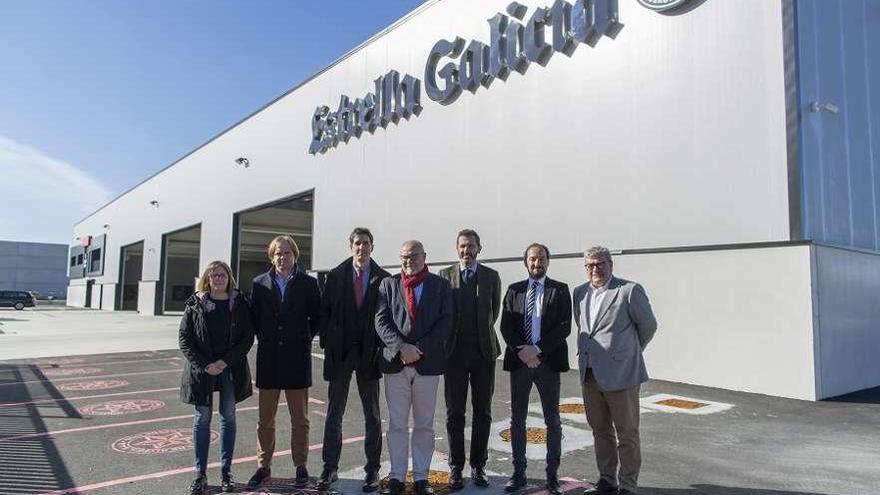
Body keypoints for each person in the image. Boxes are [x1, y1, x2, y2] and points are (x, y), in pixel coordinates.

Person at [574, 247, 657, 495]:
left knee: (627, 432)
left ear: (610, 264)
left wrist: (628, 353)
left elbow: (649, 326)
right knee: (600, 430)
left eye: (600, 264)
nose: (595, 269)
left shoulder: (629, 291)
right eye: (590, 265)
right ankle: (607, 480)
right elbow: (583, 327)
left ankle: (628, 485)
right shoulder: (579, 293)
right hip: (590, 374)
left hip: (622, 375)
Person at [375, 240, 453, 495]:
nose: (409, 261)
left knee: (424, 425)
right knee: (396, 424)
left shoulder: (440, 286)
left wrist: (417, 349)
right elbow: (381, 320)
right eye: (405, 257)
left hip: (427, 364)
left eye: (414, 256)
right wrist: (401, 348)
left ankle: (421, 477)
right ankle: (397, 476)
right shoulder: (388, 284)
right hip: (395, 364)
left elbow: (445, 321)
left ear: (424, 257)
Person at [318, 228, 391, 492]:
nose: (362, 248)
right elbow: (323, 313)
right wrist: (328, 342)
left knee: (372, 414)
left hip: (369, 356)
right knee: (334, 412)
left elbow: (389, 317)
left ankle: (372, 469)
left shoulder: (384, 279)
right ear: (351, 246)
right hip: (341, 355)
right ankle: (330, 468)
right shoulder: (336, 276)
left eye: (366, 243)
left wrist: (381, 349)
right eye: (357, 243)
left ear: (373, 246)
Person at [247, 235, 321, 489]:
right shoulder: (259, 284)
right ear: (271, 256)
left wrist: (302, 338)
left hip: (296, 360)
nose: (282, 257)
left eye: (287, 253)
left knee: (299, 419)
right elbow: (254, 319)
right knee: (265, 420)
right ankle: (263, 466)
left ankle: (300, 465)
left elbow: (317, 318)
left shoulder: (308, 285)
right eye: (278, 253)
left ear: (295, 255)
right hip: (269, 361)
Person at [499, 243, 571, 495]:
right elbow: (505, 326)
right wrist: (523, 351)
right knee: (517, 419)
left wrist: (537, 350)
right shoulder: (514, 290)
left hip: (547, 363)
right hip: (520, 363)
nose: (536, 263)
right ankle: (518, 472)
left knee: (552, 419)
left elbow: (564, 327)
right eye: (532, 259)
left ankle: (552, 476)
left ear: (548, 261)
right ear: (525, 262)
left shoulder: (560, 290)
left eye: (541, 258)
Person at [179, 261, 255, 495]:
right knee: (202, 419)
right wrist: (205, 365)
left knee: (228, 418)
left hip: (229, 369)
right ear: (207, 279)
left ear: (229, 278)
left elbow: (247, 337)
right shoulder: (195, 304)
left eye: (223, 275)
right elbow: (184, 338)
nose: (219, 279)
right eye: (214, 275)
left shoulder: (239, 303)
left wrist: (224, 362)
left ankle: (226, 472)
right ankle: (200, 474)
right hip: (203, 372)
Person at [437, 230, 501, 490]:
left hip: (483, 353)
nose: (467, 250)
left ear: (479, 248)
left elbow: (493, 312)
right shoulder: (445, 276)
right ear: (457, 248)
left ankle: (478, 465)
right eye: (463, 246)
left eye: (471, 246)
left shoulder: (491, 276)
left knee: (483, 412)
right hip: (453, 354)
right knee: (455, 413)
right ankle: (456, 466)